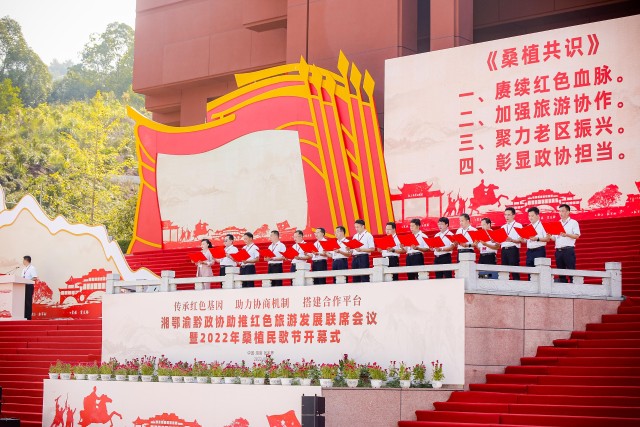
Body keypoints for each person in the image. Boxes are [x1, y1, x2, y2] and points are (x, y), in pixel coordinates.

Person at [549, 204, 581, 282]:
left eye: (562, 211)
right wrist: (549, 236)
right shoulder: (557, 223)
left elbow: (577, 236)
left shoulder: (573, 222)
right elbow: (554, 238)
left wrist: (566, 234)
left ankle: (573, 286)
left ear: (568, 212)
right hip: (558, 251)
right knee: (561, 273)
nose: (560, 213)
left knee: (571, 271)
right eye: (559, 211)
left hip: (568, 250)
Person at [525, 207, 549, 280]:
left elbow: (547, 239)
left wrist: (537, 239)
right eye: (529, 216)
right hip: (529, 251)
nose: (530, 218)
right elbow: (526, 240)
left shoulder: (543, 225)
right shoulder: (528, 227)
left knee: (540, 271)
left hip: (539, 251)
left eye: (532, 216)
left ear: (538, 216)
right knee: (530, 271)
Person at [501, 207, 523, 280]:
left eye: (508, 215)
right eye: (505, 215)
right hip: (504, 250)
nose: (506, 217)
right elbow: (500, 241)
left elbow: (520, 239)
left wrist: (512, 240)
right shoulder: (503, 227)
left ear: (513, 215)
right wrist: (495, 240)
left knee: (514, 271)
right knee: (504, 272)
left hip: (513, 250)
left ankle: (517, 285)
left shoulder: (518, 225)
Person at [21, 255, 38, 320]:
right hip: (23, 286)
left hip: (29, 286)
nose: (23, 261)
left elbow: (35, 277)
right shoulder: (24, 269)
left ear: (26, 260)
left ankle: (28, 317)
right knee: (24, 302)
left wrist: (28, 281)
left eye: (23, 260)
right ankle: (24, 316)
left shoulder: (32, 268)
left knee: (28, 302)